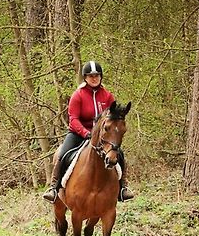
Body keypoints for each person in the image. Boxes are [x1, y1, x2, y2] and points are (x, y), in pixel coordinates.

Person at [42, 60, 134, 203]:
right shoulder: (78, 95)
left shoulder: (108, 96)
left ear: (101, 77)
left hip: (103, 136)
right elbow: (73, 119)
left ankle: (123, 188)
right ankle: (54, 188)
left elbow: (113, 119)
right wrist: (86, 133)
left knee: (119, 154)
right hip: (78, 133)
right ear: (85, 77)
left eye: (97, 75)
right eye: (91, 76)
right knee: (63, 153)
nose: (94, 78)